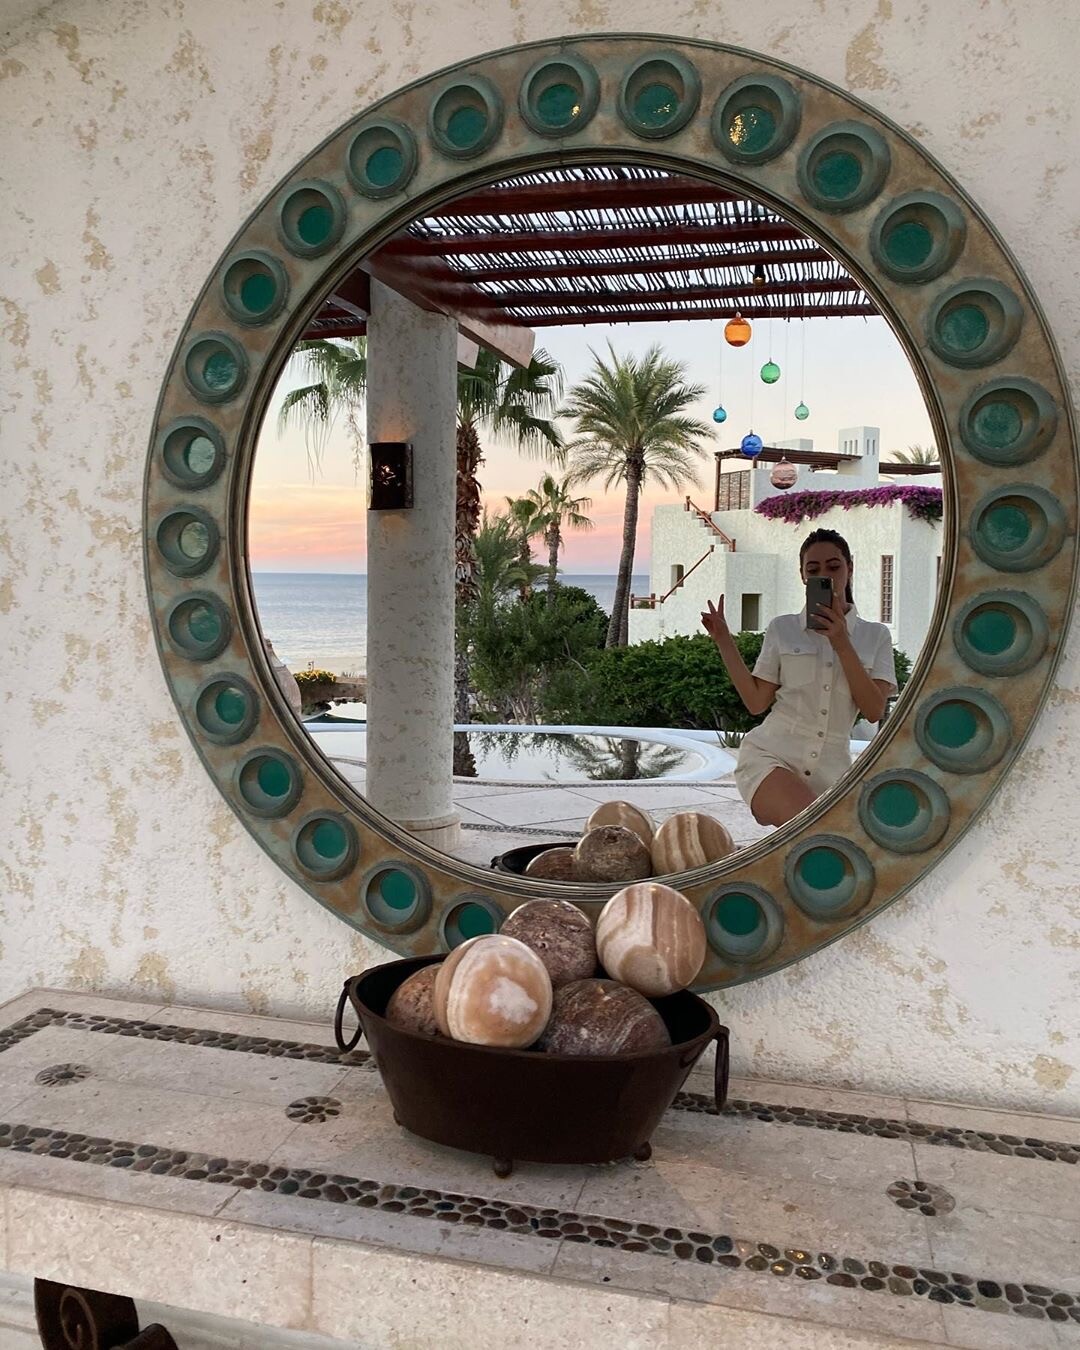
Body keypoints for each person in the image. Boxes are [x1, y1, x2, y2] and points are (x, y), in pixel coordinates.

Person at [701, 528, 897, 827]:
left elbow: (873, 710)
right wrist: (724, 640)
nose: (825, 575)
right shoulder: (783, 629)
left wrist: (841, 641)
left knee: (819, 844)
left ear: (850, 568)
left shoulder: (876, 636)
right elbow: (756, 702)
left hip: (832, 774)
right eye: (813, 569)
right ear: (803, 576)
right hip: (770, 756)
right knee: (811, 829)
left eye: (834, 567)